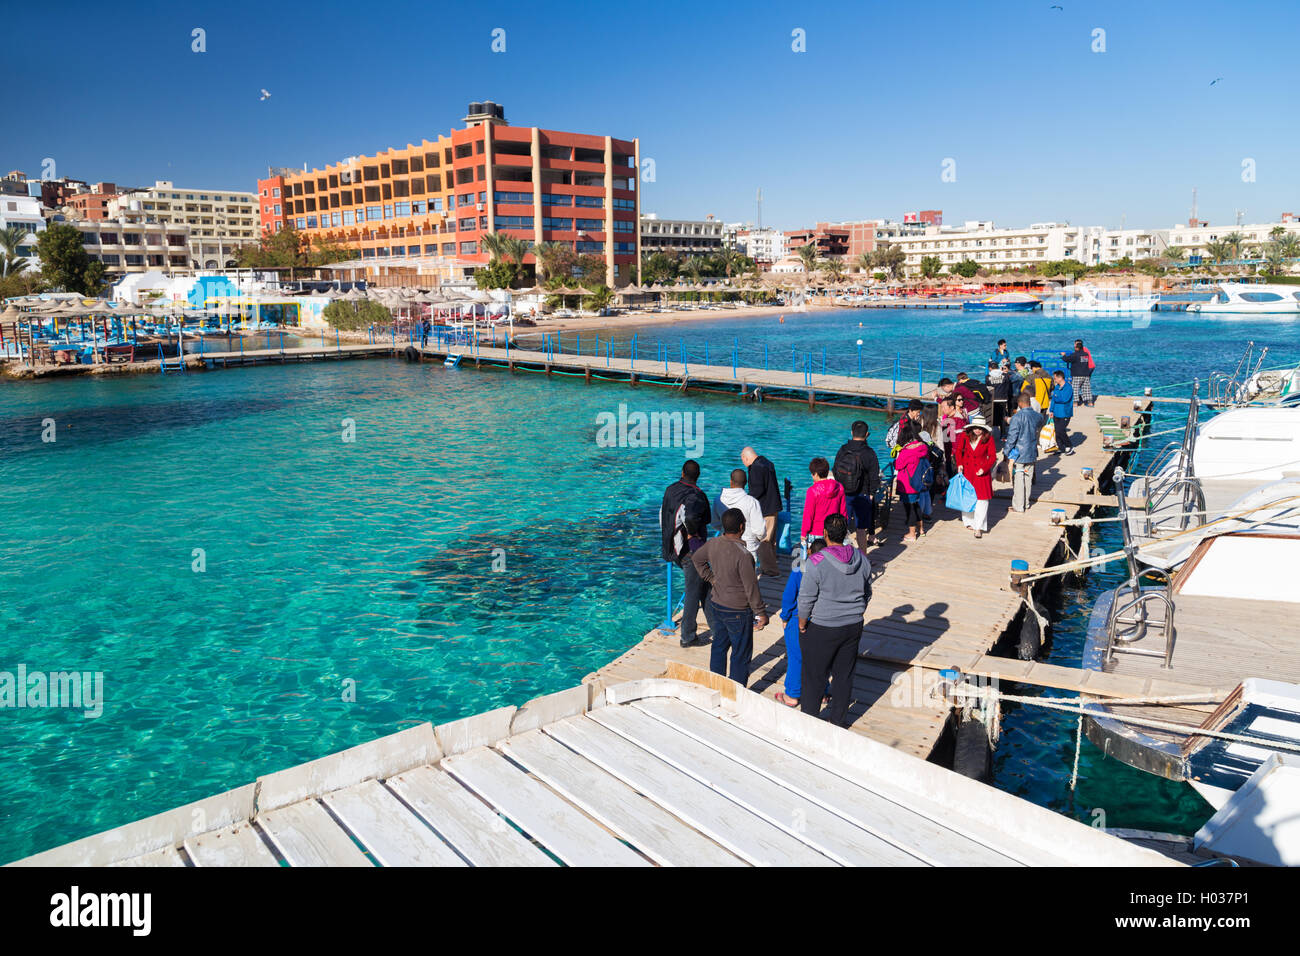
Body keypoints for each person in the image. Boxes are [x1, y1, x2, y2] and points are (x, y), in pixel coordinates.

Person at [797, 513, 872, 726]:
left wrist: (802, 623)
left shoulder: (816, 562)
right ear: (847, 534)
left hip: (823, 627)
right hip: (853, 625)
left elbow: (806, 598)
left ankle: (810, 720)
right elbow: (867, 592)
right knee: (844, 675)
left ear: (825, 534)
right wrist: (858, 610)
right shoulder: (861, 559)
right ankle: (838, 721)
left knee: (814, 676)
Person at [692, 508, 769, 686]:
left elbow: (697, 559)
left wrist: (711, 579)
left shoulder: (714, 543)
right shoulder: (744, 555)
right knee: (740, 654)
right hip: (738, 611)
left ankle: (716, 685)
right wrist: (760, 612)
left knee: (719, 646)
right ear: (742, 527)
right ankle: (736, 691)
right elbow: (751, 587)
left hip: (717, 605)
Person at [660, 459, 713, 647]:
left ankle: (716, 627)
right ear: (698, 476)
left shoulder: (670, 490)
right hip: (691, 550)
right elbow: (691, 516)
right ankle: (687, 636)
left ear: (683, 473)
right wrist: (692, 532)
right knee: (693, 591)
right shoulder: (696, 495)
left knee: (704, 586)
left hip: (674, 548)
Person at [774, 539, 828, 708]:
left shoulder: (799, 569)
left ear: (809, 553)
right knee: (820, 659)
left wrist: (785, 616)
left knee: (796, 658)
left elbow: (789, 596)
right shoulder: (830, 570)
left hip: (798, 620)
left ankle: (792, 694)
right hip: (822, 621)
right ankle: (823, 692)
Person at [833, 420, 880, 550]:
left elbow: (835, 470)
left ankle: (841, 556)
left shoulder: (843, 449)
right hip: (862, 494)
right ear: (867, 434)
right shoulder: (869, 453)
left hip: (844, 494)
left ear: (851, 432)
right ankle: (864, 558)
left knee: (842, 528)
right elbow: (874, 476)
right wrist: (871, 493)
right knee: (860, 530)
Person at [953, 414, 997, 537]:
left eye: (980, 428)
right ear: (971, 427)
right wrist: (959, 464)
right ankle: (968, 522)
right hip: (967, 471)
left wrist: (984, 468)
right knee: (968, 498)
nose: (977, 430)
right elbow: (958, 452)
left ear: (984, 429)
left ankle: (979, 527)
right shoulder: (965, 436)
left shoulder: (989, 439)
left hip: (981, 472)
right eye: (975, 427)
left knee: (982, 500)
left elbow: (993, 456)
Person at [712, 469, 767, 567]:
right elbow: (760, 531)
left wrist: (723, 529)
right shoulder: (752, 502)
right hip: (748, 548)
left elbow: (715, 523)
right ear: (745, 483)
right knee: (747, 580)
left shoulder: (718, 499)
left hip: (725, 545)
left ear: (730, 481)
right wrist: (755, 541)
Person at [741, 447, 781, 577]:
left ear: (746, 458)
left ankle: (771, 571)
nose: (744, 465)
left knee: (763, 541)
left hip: (765, 509)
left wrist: (745, 500)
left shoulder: (756, 468)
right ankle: (769, 565)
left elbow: (757, 491)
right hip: (773, 507)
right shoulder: (766, 462)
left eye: (743, 461)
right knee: (770, 541)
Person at [1003, 393, 1043, 512]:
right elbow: (1039, 424)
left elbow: (1012, 437)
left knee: (1019, 480)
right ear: (1029, 402)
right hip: (1031, 451)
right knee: (1028, 479)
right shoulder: (1038, 416)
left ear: (1020, 403)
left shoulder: (1017, 417)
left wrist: (1006, 452)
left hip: (1019, 453)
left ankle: (1018, 506)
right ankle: (1025, 503)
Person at [894, 422, 933, 542]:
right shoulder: (923, 447)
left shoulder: (906, 451)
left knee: (909, 508)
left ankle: (912, 533)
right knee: (915, 506)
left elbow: (898, 465)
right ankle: (921, 529)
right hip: (918, 482)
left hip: (907, 484)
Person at [801, 456, 846, 550]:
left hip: (816, 532)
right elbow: (843, 512)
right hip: (833, 532)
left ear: (816, 474)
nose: (812, 476)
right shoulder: (839, 487)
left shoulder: (812, 491)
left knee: (816, 561)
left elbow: (808, 515)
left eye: (812, 474)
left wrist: (803, 533)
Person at [1060, 339, 1095, 407]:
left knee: (1075, 389)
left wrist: (1063, 355)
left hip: (1077, 374)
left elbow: (1067, 359)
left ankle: (1075, 403)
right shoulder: (1086, 354)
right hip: (1085, 374)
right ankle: (1090, 403)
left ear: (1076, 347)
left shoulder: (1075, 354)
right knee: (1086, 389)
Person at [1050, 369, 1075, 455]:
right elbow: (1053, 399)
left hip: (1065, 413)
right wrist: (1051, 410)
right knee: (1057, 431)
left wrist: (1056, 395)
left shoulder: (1068, 387)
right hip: (1056, 412)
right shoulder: (1057, 387)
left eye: (1055, 378)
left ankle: (1069, 445)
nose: (1054, 380)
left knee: (1061, 430)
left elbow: (1064, 399)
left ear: (1060, 378)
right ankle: (1061, 448)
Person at [988, 359, 1012, 438]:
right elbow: (1008, 386)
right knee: (1002, 417)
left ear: (990, 368)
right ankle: (1003, 434)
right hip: (1003, 398)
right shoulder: (1004, 376)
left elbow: (987, 388)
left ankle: (991, 435)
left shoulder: (988, 377)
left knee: (991, 417)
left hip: (993, 399)